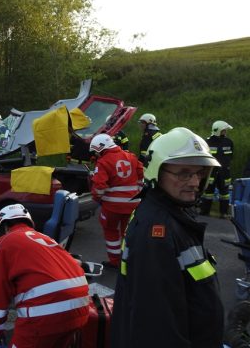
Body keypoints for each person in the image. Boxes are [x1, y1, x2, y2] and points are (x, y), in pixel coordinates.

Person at [111, 127, 224, 348]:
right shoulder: (157, 232)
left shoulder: (174, 213)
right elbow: (157, 327)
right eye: (183, 173)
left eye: (199, 173)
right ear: (157, 172)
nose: (194, 182)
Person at [0, 204, 89, 348]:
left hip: (45, 313)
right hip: (81, 306)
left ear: (5, 226)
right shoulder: (46, 238)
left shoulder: (2, 243)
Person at [89, 133, 144, 268]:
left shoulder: (103, 162)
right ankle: (129, 259)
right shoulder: (131, 156)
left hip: (112, 207)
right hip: (133, 204)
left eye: (96, 152)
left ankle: (115, 262)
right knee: (128, 233)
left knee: (111, 231)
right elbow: (141, 175)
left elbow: (100, 186)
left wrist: (96, 198)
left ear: (101, 148)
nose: (96, 155)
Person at [200, 120, 234, 217]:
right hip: (211, 172)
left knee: (225, 193)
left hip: (224, 173)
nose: (225, 132)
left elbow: (231, 156)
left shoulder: (229, 142)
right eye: (224, 130)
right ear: (218, 130)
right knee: (208, 192)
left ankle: (223, 213)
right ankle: (204, 212)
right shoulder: (207, 142)